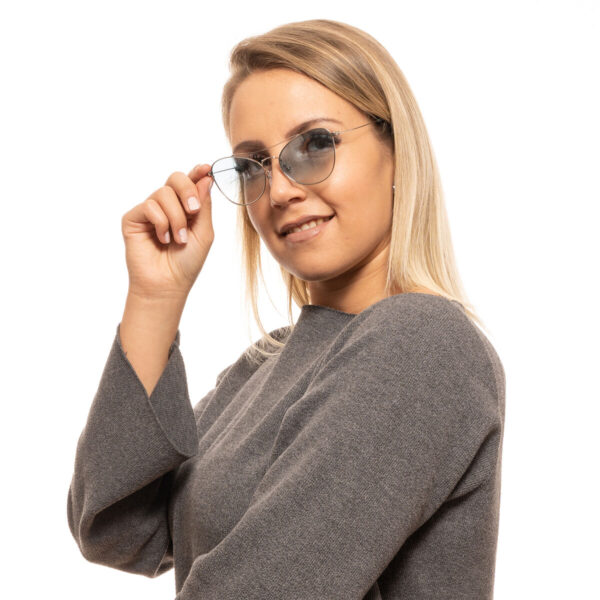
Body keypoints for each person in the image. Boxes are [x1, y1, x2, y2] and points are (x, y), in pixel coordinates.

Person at [67, 18, 505, 600]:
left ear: (397, 150)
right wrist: (156, 297)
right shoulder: (264, 366)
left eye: (315, 145)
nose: (279, 191)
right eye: (254, 165)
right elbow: (118, 527)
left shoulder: (422, 343)